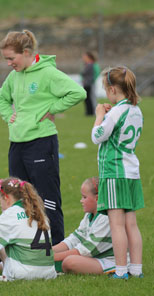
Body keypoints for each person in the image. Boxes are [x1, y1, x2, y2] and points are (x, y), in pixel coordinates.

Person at [0, 29, 86, 245]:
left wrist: (52, 109)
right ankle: (26, 244)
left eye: (11, 58)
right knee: (18, 197)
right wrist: (11, 117)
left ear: (26, 52)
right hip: (17, 144)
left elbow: (78, 93)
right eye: (6, 59)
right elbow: (1, 99)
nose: (9, 63)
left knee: (47, 199)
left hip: (42, 142)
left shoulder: (47, 73)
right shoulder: (14, 76)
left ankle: (54, 249)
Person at [91, 66, 144, 279]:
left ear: (113, 89)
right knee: (131, 223)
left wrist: (99, 115)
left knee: (116, 225)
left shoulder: (117, 112)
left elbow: (97, 136)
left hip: (114, 173)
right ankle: (136, 269)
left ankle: (121, 271)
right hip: (132, 172)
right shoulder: (135, 109)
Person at [0, 178, 56, 281]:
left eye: (0, 199)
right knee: (0, 243)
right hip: (48, 272)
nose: (0, 204)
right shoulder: (38, 212)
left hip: (23, 273)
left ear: (6, 198)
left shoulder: (11, 214)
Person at [53, 177, 116, 274]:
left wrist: (51, 257)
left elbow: (84, 251)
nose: (81, 201)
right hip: (94, 258)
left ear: (97, 198)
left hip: (110, 261)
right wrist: (49, 251)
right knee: (65, 260)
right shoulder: (89, 215)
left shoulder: (105, 218)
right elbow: (75, 239)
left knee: (70, 262)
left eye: (84, 197)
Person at [81, 51, 98, 116]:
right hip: (86, 84)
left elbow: (83, 73)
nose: (83, 58)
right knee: (87, 99)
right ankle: (89, 112)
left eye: (85, 57)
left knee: (91, 98)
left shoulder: (91, 65)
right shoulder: (87, 64)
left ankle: (92, 112)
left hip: (89, 84)